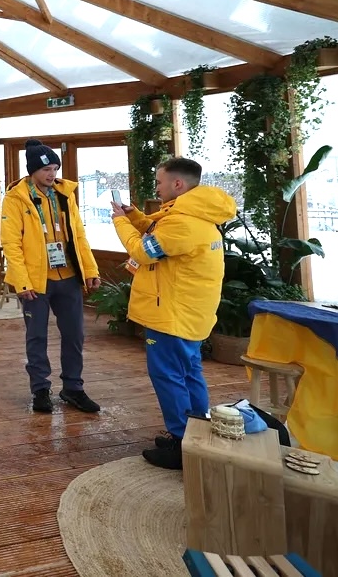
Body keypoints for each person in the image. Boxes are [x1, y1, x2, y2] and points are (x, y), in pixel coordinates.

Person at [112, 157, 236, 470]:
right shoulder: (194, 215)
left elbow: (143, 251)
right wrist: (136, 217)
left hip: (172, 314)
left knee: (168, 375)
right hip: (189, 313)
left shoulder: (182, 222)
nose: (156, 186)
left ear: (177, 184)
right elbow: (158, 233)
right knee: (189, 371)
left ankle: (182, 444)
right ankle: (196, 433)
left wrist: (119, 222)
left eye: (159, 181)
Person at [1, 139, 102, 415]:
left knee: (74, 335)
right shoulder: (15, 199)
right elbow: (11, 244)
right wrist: (22, 282)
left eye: (55, 168)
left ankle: (73, 388)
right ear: (33, 170)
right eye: (47, 169)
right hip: (36, 281)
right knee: (37, 337)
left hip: (68, 277)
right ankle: (40, 390)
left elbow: (79, 236)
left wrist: (90, 269)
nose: (52, 174)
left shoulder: (65, 195)